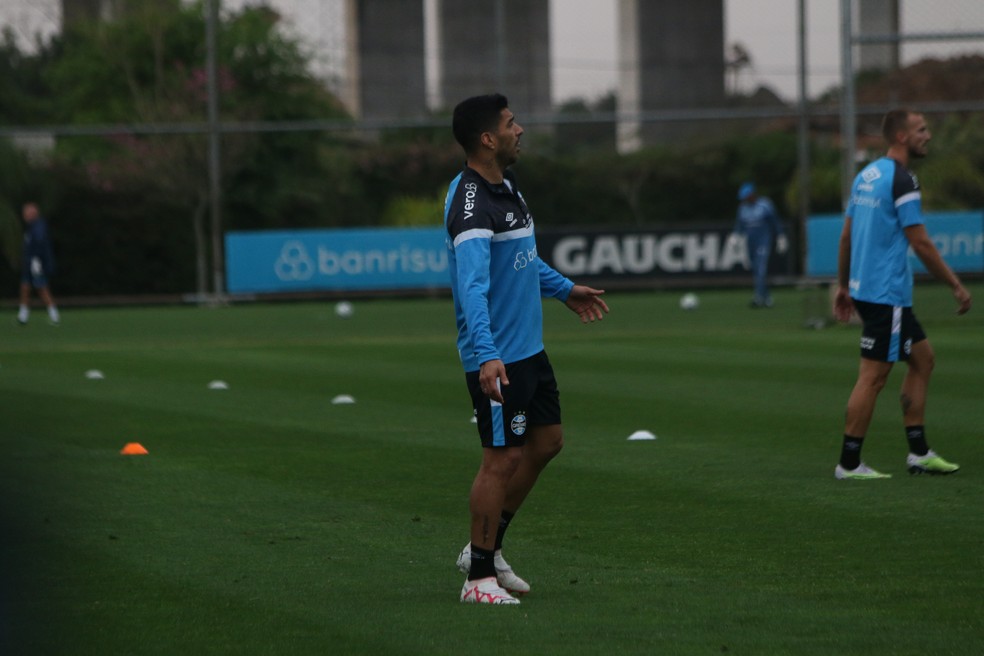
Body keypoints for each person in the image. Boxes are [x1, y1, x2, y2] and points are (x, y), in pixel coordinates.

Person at [444, 94, 609, 605]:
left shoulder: (507, 188)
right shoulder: (471, 202)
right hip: (498, 357)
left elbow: (523, 259)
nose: (522, 130)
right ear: (487, 138)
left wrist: (564, 290)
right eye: (512, 123)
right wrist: (488, 354)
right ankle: (478, 580)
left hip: (528, 350)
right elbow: (472, 288)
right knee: (500, 460)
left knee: (547, 442)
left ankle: (485, 554)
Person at [832, 108, 971, 480]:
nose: (928, 135)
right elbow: (921, 242)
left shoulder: (866, 176)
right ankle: (849, 463)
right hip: (885, 294)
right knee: (873, 377)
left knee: (922, 360)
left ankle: (919, 453)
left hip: (866, 289)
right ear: (901, 137)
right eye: (922, 129)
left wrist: (844, 286)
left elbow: (846, 236)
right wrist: (955, 286)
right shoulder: (902, 180)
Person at [730, 182, 788, 308]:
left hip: (763, 241)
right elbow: (740, 225)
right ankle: (767, 298)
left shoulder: (765, 205)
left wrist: (781, 237)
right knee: (756, 270)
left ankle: (758, 297)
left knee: (761, 270)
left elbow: (775, 222)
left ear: (752, 194)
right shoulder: (742, 208)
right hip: (750, 243)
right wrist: (735, 236)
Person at [17, 202, 60, 326]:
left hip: (37, 262)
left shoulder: (39, 226)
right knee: (25, 287)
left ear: (33, 213)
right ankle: (23, 315)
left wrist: (37, 260)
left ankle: (54, 314)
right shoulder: (31, 227)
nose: (24, 215)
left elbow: (39, 244)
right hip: (30, 261)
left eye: (27, 213)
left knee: (41, 287)